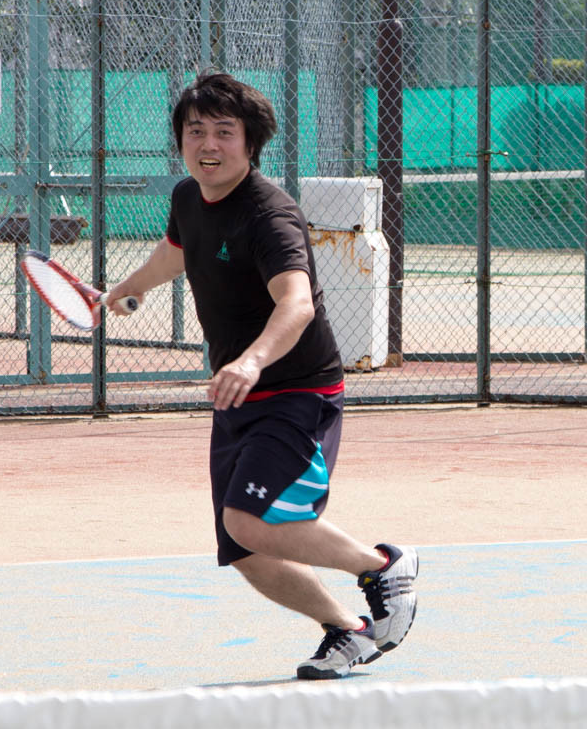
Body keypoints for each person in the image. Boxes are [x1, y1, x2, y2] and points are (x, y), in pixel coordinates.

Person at [103, 72, 418, 680]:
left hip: (297, 390)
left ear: (251, 144)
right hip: (239, 396)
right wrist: (130, 287)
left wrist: (250, 360)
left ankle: (382, 566)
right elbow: (177, 251)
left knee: (251, 520)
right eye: (196, 131)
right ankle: (349, 631)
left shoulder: (270, 215)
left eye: (225, 132)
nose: (208, 144)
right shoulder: (188, 198)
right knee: (242, 548)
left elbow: (296, 304)